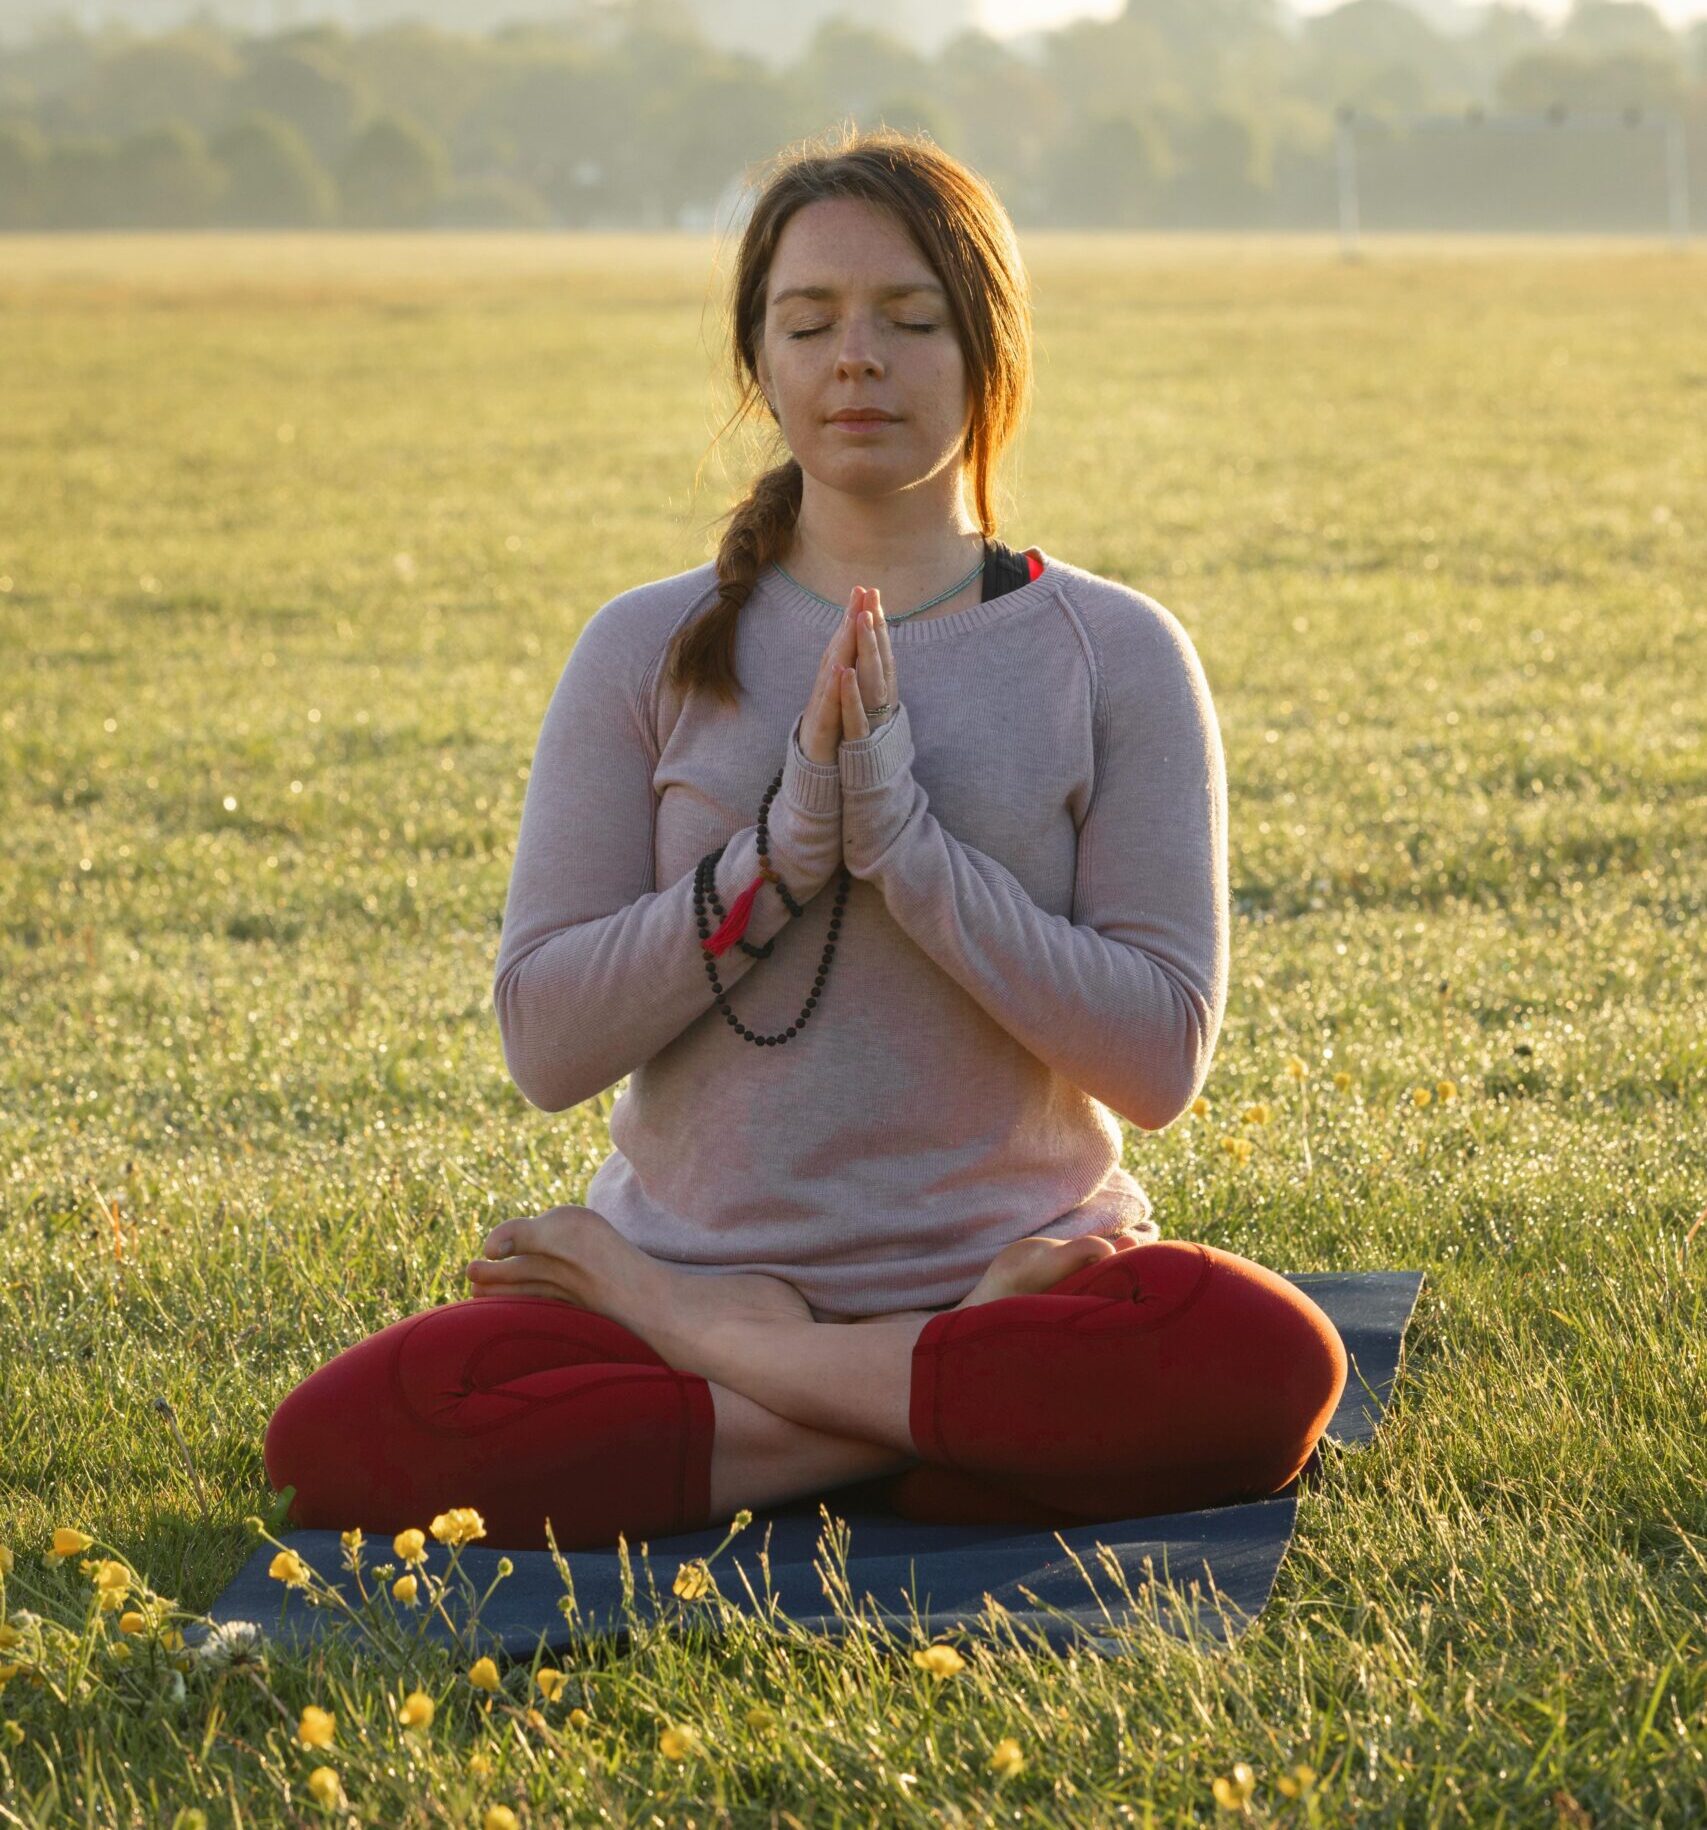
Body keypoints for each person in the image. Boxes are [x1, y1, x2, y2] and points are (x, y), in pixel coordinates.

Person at [263, 126, 1346, 1552]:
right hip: (711, 1284)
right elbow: (545, 1041)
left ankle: (776, 1411)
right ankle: (931, 1426)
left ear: (989, 351)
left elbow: (1156, 1060)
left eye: (910, 319)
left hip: (1018, 1279)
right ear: (758, 363)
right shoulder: (644, 648)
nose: (858, 360)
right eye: (811, 322)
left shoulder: (1117, 653)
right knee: (337, 1440)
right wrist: (774, 859)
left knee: (1264, 1363)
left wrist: (911, 852)